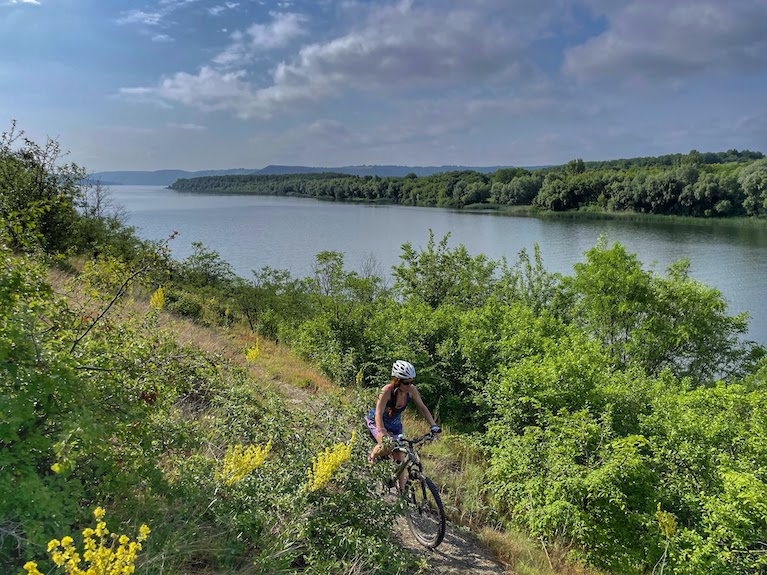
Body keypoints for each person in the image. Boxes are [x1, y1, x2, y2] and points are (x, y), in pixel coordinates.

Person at [366, 360, 441, 479]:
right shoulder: (386, 391)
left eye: (412, 382)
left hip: (395, 425)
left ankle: (402, 493)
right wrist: (382, 432)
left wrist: (433, 425)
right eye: (406, 382)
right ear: (397, 381)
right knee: (388, 445)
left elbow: (422, 407)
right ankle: (372, 457)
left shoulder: (411, 390)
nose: (410, 385)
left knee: (400, 459)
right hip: (377, 422)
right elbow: (378, 414)